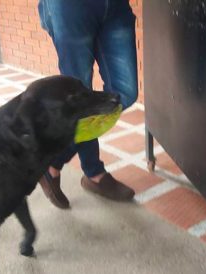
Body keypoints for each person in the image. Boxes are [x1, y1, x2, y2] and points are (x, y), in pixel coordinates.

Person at [37, 0, 139, 208]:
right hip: (70, 7)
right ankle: (94, 174)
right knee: (77, 99)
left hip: (115, 6)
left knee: (125, 93)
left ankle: (52, 160)